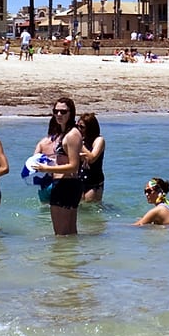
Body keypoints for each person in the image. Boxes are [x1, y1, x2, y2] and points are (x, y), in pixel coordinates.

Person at [30, 96, 86, 235]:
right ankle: (71, 256)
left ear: (71, 113)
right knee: (70, 235)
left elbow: (73, 166)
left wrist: (47, 168)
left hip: (65, 185)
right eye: (56, 111)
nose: (59, 115)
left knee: (61, 236)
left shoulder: (72, 135)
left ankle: (61, 257)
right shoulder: (63, 134)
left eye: (63, 112)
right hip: (67, 185)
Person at [77, 112, 106, 204]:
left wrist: (79, 142)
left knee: (90, 209)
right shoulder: (79, 139)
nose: (78, 129)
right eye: (77, 126)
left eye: (82, 127)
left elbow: (92, 158)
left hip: (94, 182)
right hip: (78, 180)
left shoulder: (99, 140)